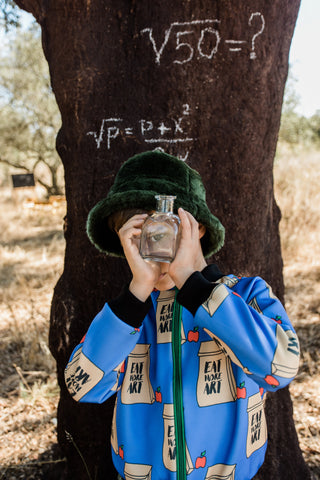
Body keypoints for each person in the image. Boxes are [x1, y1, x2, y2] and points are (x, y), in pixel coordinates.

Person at [65, 150, 300, 480]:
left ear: (196, 228)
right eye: (137, 239)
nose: (153, 251)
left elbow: (282, 367)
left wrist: (195, 284)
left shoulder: (247, 295)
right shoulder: (128, 319)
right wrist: (135, 295)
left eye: (161, 234)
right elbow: (83, 387)